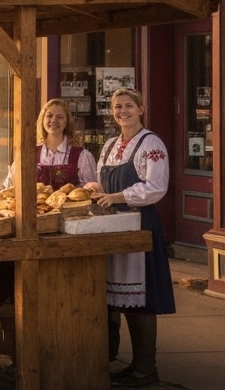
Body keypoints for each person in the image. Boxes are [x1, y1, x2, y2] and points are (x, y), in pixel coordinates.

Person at [0, 98, 102, 304]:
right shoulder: (29, 153)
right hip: (32, 224)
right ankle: (7, 304)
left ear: (67, 122)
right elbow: (9, 186)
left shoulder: (81, 155)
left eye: (59, 116)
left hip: (66, 227)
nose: (53, 120)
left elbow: (90, 192)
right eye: (49, 115)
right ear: (42, 120)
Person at [94, 87, 173, 387]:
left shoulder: (151, 143)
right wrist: (95, 189)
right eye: (117, 107)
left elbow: (156, 186)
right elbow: (103, 180)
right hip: (112, 228)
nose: (122, 111)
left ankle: (146, 369)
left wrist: (116, 196)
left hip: (139, 225)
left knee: (140, 299)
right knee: (117, 297)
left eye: (128, 106)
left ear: (141, 109)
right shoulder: (111, 144)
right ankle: (130, 364)